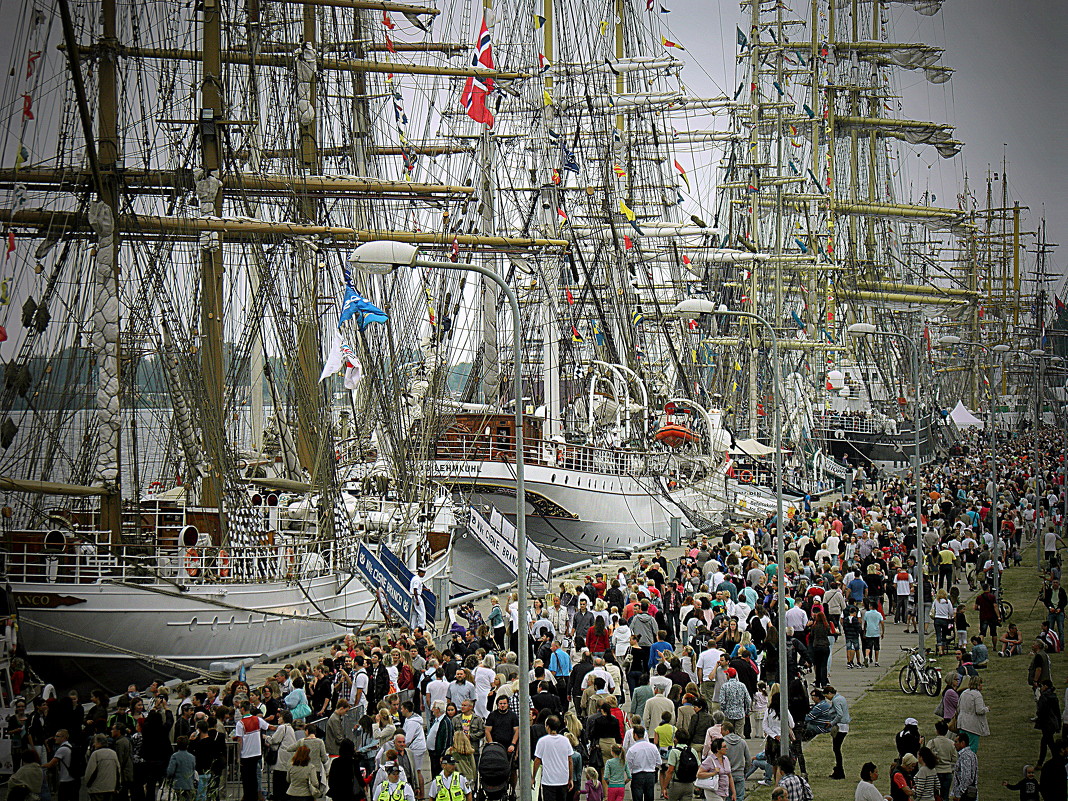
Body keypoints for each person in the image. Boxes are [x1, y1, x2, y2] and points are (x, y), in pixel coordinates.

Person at [533, 716, 575, 801]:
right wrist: (570, 778)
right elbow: (570, 760)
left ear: (547, 726)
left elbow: (537, 760)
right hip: (563, 779)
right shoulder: (565, 740)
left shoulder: (542, 741)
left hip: (548, 781)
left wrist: (533, 777)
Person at [624, 726, 662, 801]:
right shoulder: (653, 747)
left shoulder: (632, 749)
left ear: (635, 735)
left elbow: (628, 765)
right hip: (650, 775)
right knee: (650, 797)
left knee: (637, 798)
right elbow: (659, 762)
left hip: (637, 775)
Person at [661, 728, 698, 801]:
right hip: (689, 784)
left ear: (676, 739)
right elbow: (698, 767)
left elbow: (670, 771)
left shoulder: (674, 752)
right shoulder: (692, 751)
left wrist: (664, 787)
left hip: (676, 784)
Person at [955, 676, 989, 753]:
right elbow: (979, 710)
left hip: (962, 723)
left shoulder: (964, 693)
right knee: (972, 747)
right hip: (972, 725)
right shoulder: (977, 695)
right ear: (977, 684)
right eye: (980, 683)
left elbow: (958, 708)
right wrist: (987, 709)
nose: (982, 685)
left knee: (962, 746)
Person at [85, 734, 122, 801]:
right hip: (111, 788)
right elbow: (118, 770)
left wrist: (87, 784)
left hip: (97, 788)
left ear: (98, 743)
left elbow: (90, 771)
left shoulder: (95, 754)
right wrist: (117, 786)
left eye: (95, 742)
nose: (94, 744)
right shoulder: (113, 753)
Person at [166, 737, 198, 801]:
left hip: (178, 785)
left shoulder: (175, 756)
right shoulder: (192, 757)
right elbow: (193, 769)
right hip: (189, 785)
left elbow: (170, 772)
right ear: (187, 745)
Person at [949, 733, 978, 801]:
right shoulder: (972, 754)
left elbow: (966, 777)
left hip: (965, 795)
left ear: (962, 743)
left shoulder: (965, 756)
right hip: (970, 792)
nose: (954, 744)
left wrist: (959, 793)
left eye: (956, 742)